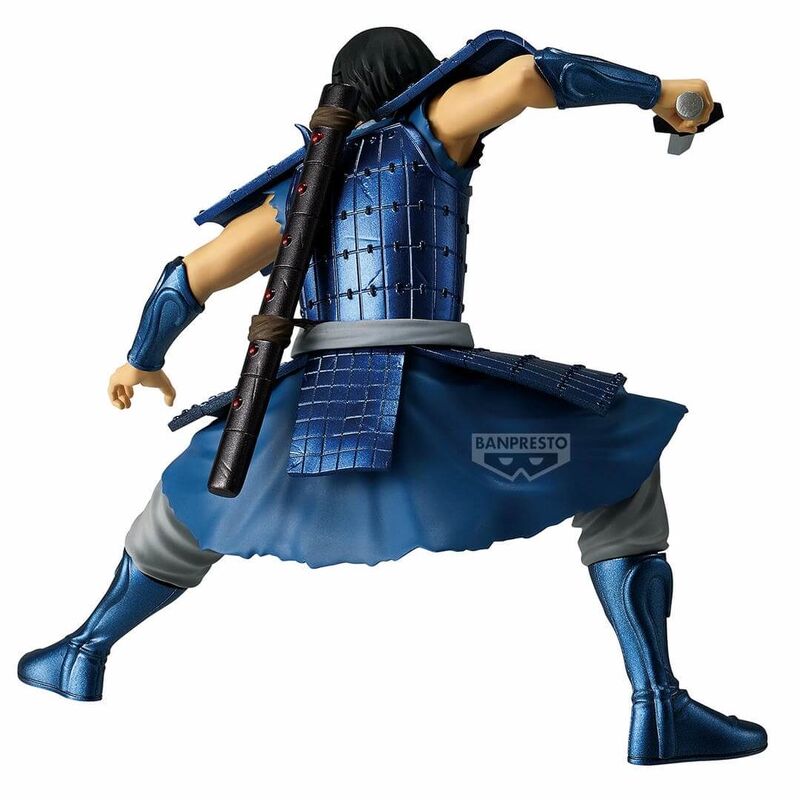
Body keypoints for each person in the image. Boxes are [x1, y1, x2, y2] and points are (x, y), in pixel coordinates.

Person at [18, 27, 766, 765]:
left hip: (314, 415)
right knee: (618, 461)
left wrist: (141, 360)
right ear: (419, 81)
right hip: (443, 415)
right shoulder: (430, 128)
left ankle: (81, 653)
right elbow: (528, 76)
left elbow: (187, 277)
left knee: (185, 509)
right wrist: (657, 93)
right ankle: (659, 707)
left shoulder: (295, 191)